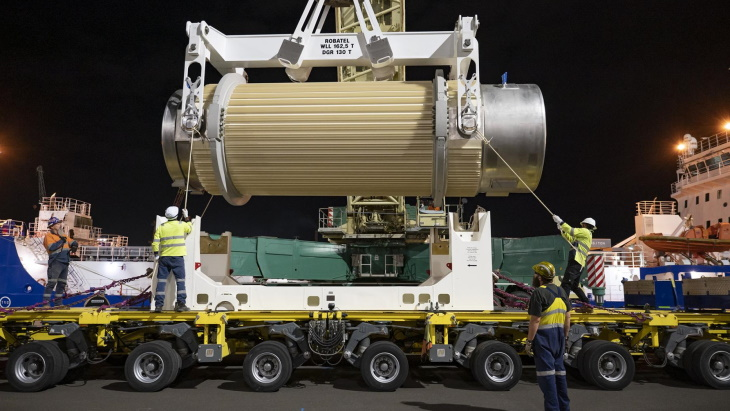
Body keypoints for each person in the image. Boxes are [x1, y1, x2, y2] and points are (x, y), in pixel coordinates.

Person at [525, 261, 571, 411]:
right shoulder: (562, 292)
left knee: (547, 379)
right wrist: (565, 338)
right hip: (559, 339)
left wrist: (529, 342)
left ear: (540, 277)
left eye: (535, 274)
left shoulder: (539, 293)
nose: (534, 276)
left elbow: (535, 320)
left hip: (544, 339)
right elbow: (568, 318)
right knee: (560, 377)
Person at [152, 206, 192, 312]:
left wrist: (156, 254)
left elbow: (155, 243)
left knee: (161, 281)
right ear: (177, 215)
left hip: (164, 258)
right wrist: (186, 217)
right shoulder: (181, 225)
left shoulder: (161, 227)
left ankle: (158, 306)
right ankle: (181, 304)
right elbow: (190, 228)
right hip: (178, 258)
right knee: (180, 281)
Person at [551, 215, 596, 304]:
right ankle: (587, 304)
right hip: (578, 262)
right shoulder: (584, 236)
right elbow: (570, 238)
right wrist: (562, 230)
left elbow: (572, 231)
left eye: (583, 224)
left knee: (566, 284)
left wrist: (561, 222)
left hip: (576, 262)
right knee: (574, 286)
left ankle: (564, 305)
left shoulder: (585, 231)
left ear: (585, 224)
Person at [43, 216, 78, 306]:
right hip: (56, 262)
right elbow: (51, 247)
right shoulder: (48, 236)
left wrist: (74, 245)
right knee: (52, 283)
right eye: (57, 223)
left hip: (65, 262)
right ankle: (46, 303)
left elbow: (71, 241)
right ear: (52, 226)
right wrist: (61, 241)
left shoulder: (63, 235)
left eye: (59, 223)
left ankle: (58, 303)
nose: (59, 225)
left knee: (62, 284)